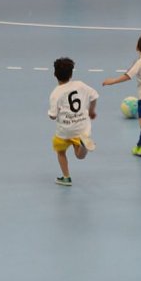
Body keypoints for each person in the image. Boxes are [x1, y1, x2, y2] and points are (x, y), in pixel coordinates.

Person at [48, 58, 98, 186]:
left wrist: (53, 114)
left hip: (65, 129)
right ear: (71, 74)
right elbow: (94, 95)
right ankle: (83, 145)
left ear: (55, 75)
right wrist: (91, 111)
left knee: (61, 152)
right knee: (79, 156)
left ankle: (66, 177)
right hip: (81, 126)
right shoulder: (80, 85)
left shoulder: (56, 93)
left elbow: (53, 116)